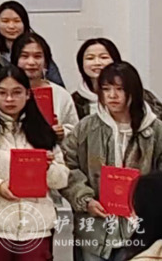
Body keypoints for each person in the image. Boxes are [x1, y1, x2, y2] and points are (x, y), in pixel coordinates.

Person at [0, 65, 68, 261]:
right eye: (2, 93)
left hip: (36, 226)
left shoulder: (42, 130)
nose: (9, 99)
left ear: (28, 94)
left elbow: (62, 178)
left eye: (17, 92)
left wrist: (46, 168)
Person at [63, 62, 162, 261]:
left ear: (134, 91)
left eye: (119, 89)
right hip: (95, 229)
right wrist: (85, 199)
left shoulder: (155, 129)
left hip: (140, 230)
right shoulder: (86, 127)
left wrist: (145, 201)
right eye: (106, 89)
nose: (112, 95)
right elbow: (68, 165)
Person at [71, 38, 162, 120]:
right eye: (90, 58)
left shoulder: (138, 93)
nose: (97, 63)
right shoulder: (74, 100)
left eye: (104, 57)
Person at [10, 32, 79, 138]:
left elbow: (76, 131)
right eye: (24, 56)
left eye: (37, 56)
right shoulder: (5, 92)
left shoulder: (60, 94)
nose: (31, 62)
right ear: (15, 60)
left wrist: (63, 131)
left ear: (46, 62)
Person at [0, 1, 64, 85]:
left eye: (17, 21)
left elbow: (57, 84)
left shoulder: (37, 46)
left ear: (25, 23)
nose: (11, 26)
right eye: (5, 21)